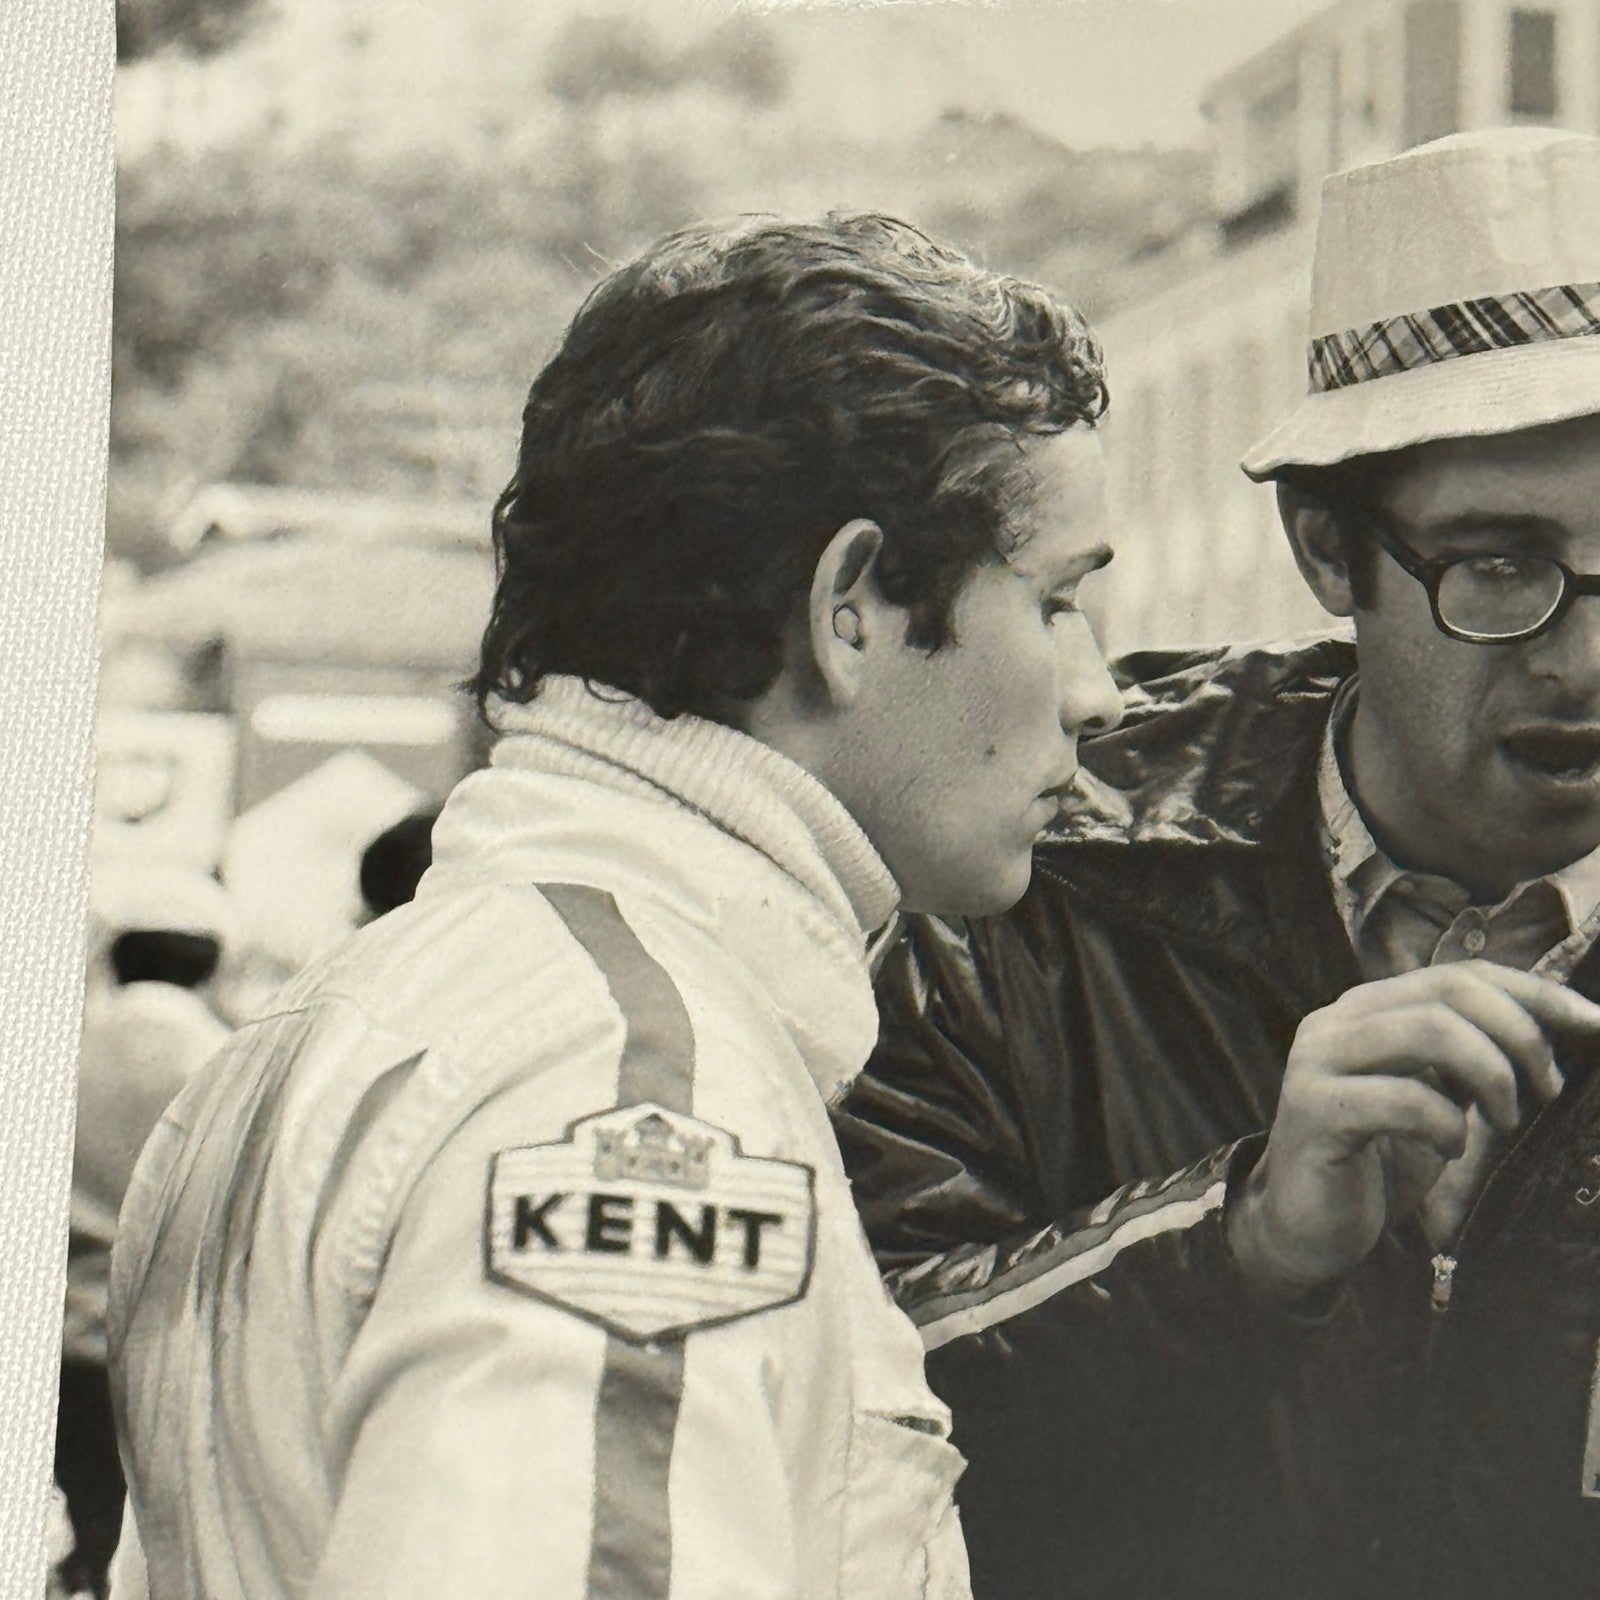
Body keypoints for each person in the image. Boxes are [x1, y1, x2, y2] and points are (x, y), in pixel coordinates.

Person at [105, 213, 1126, 1600]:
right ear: (851, 610)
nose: (1099, 691)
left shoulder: (335, 1024)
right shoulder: (644, 1099)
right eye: (1062, 603)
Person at [835, 126, 1600, 1600]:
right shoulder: (1031, 880)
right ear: (1328, 549)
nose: (1585, 657)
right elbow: (837, 1416)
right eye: (1499, 565)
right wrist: (1240, 1243)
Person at [60, 863, 232, 1598]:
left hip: (58, 1341)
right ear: (213, 960)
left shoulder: (59, 1049)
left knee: (75, 1535)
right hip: (164, 1348)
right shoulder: (227, 1059)